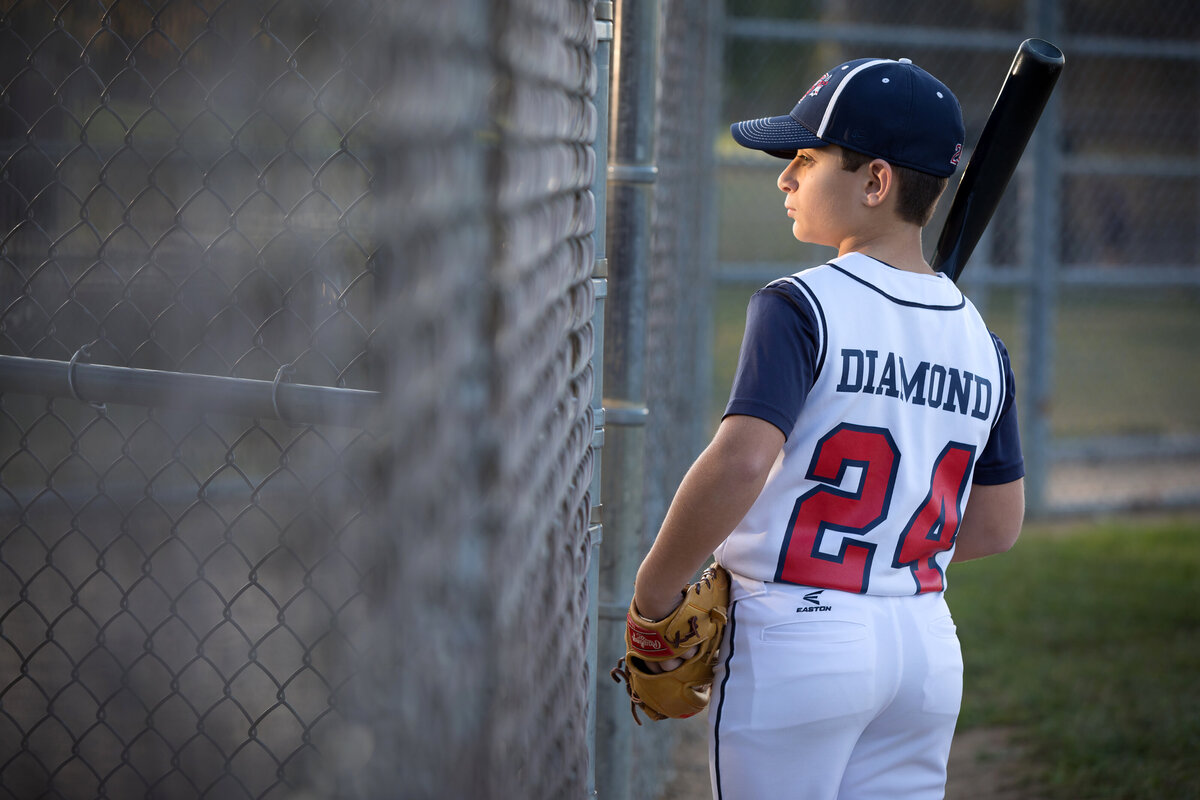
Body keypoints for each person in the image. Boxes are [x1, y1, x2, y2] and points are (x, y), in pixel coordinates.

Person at [631, 57, 1026, 799]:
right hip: (925, 648)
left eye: (805, 160)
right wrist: (886, 549)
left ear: (875, 182)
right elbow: (997, 526)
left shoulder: (799, 305)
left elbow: (743, 464)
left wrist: (656, 590)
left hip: (798, 636)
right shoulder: (983, 343)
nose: (784, 178)